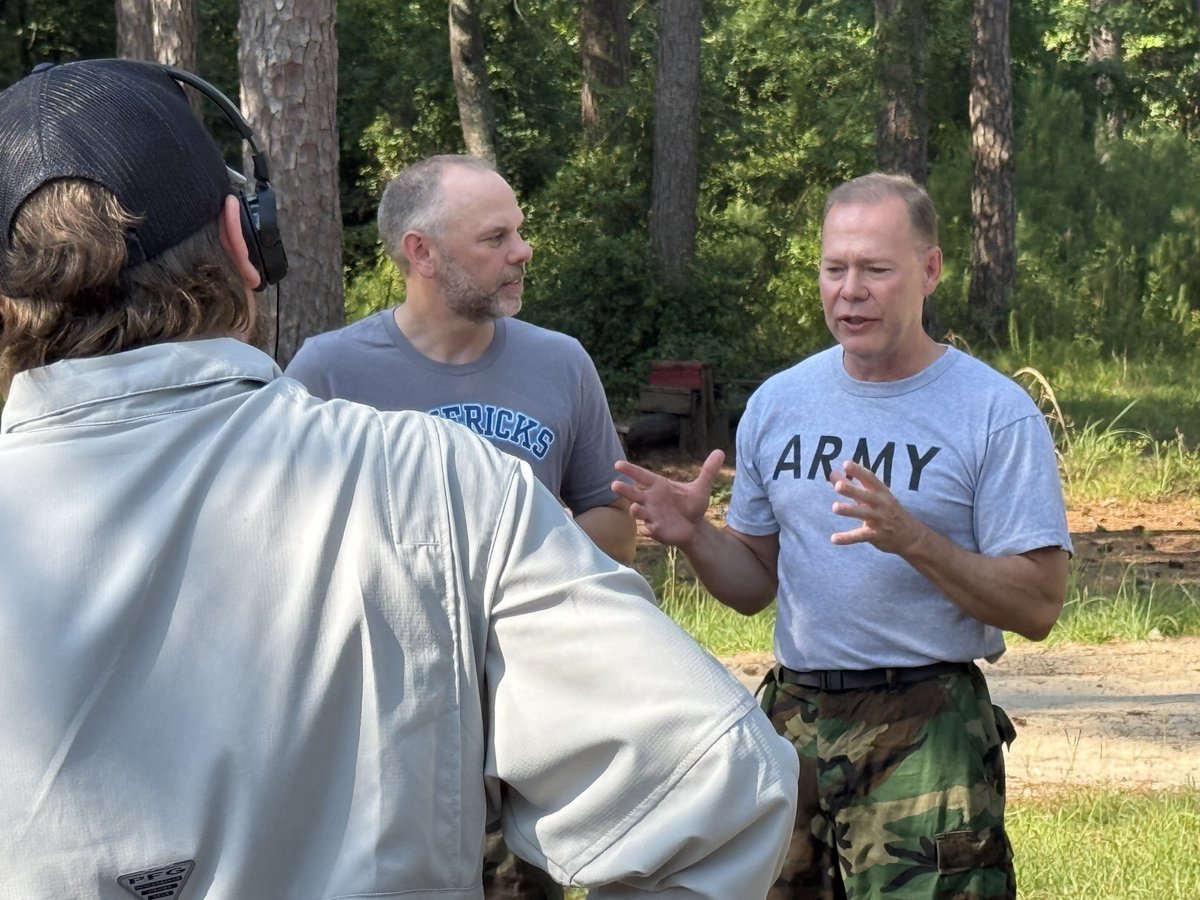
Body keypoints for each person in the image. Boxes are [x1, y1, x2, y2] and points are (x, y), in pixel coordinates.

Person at [0, 59, 799, 899]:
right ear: (245, 240)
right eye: (495, 237)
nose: (521, 252)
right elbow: (721, 793)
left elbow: (607, 512)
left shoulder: (547, 377)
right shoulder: (443, 479)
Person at [613, 172, 1073, 899]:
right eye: (835, 269)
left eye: (875, 269)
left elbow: (1039, 605)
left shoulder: (993, 413)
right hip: (795, 723)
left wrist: (913, 539)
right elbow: (753, 585)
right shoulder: (780, 401)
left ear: (930, 270)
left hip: (926, 727)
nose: (850, 291)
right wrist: (696, 535)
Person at [285, 154, 636, 568]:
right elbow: (281, 533)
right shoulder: (327, 373)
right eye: (495, 237)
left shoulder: (562, 362)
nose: (523, 251)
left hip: (527, 611)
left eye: (518, 231)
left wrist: (540, 541)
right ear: (422, 252)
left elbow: (620, 529)